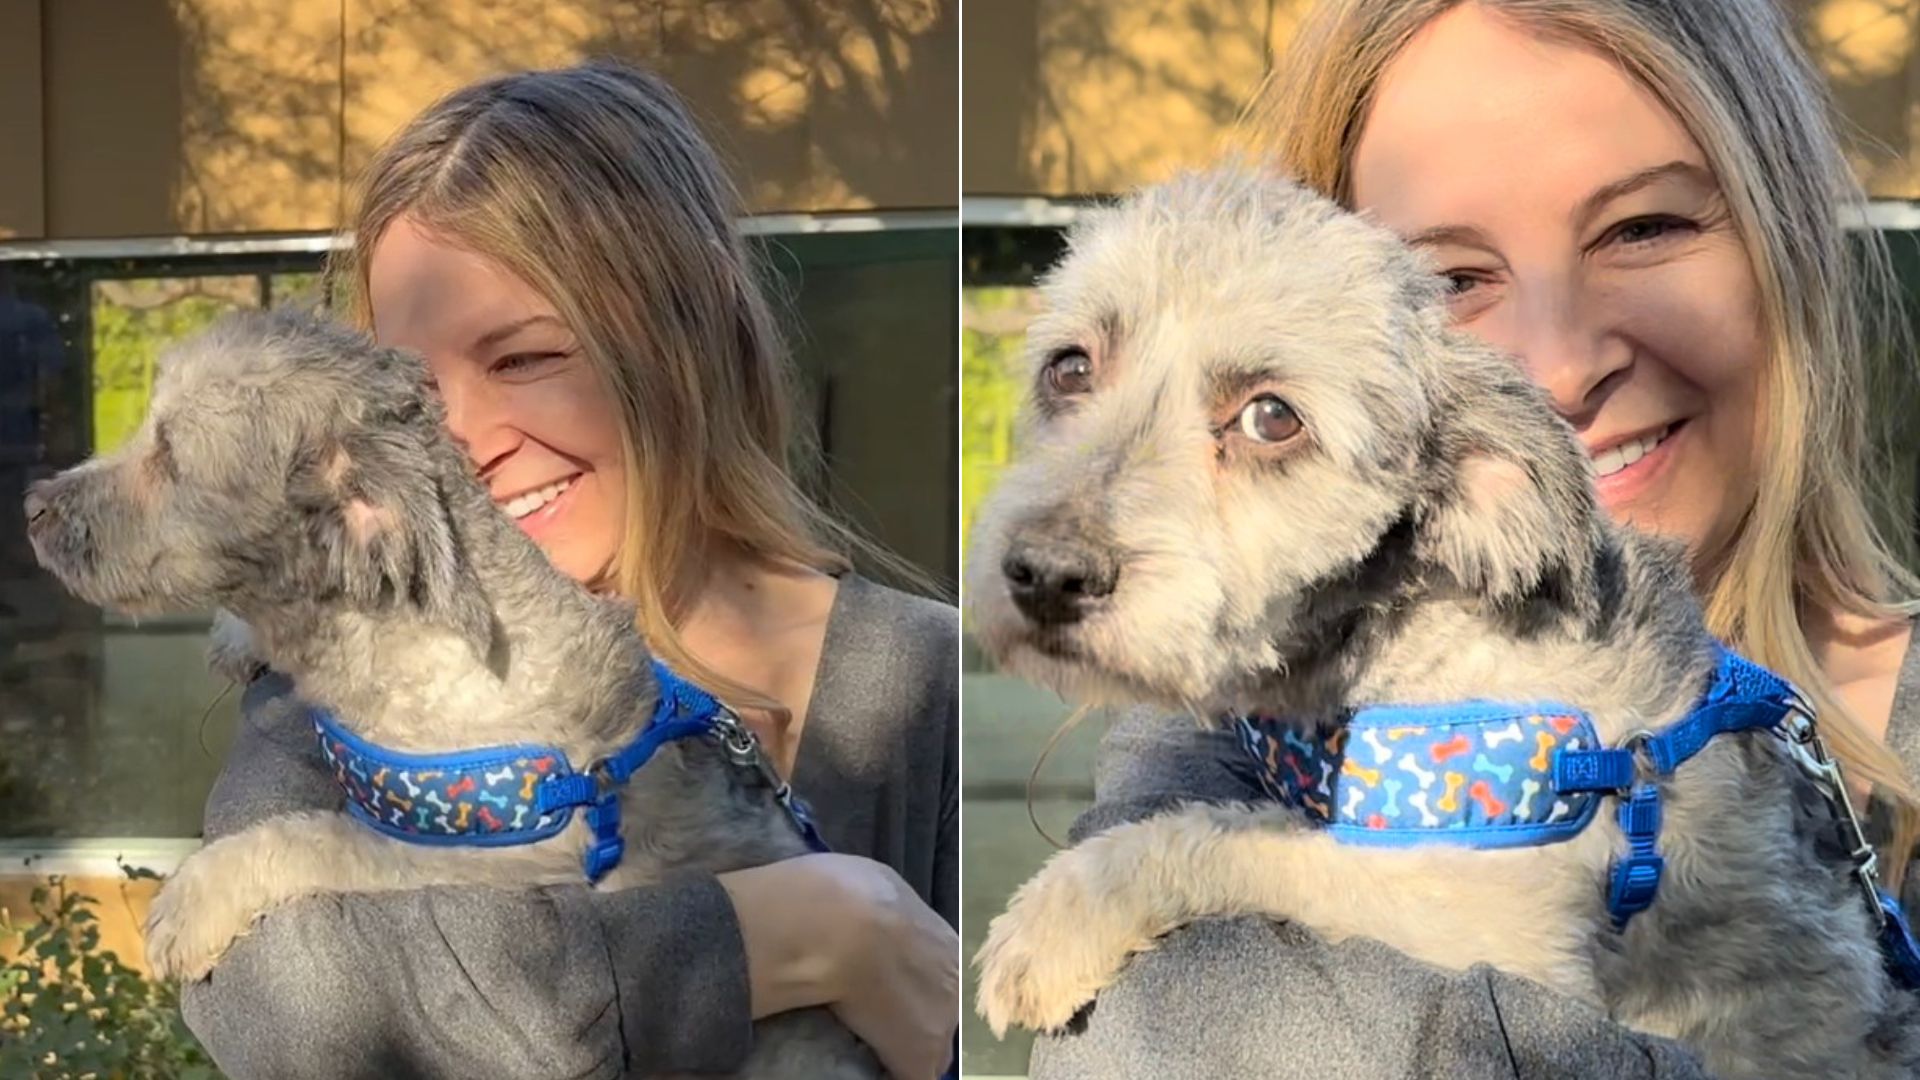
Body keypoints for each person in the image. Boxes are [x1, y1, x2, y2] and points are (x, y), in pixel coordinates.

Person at [1026, 1, 1920, 1076]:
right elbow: (1132, 1044)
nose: (1555, 366)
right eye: (1444, 280)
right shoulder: (1251, 709)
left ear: (1789, 245)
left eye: (1645, 229)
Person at [178, 61, 959, 1080]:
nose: (454, 445)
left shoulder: (928, 684)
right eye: (403, 395)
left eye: (526, 359)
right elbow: (283, 1006)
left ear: (696, 329)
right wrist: (806, 933)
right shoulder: (335, 680)